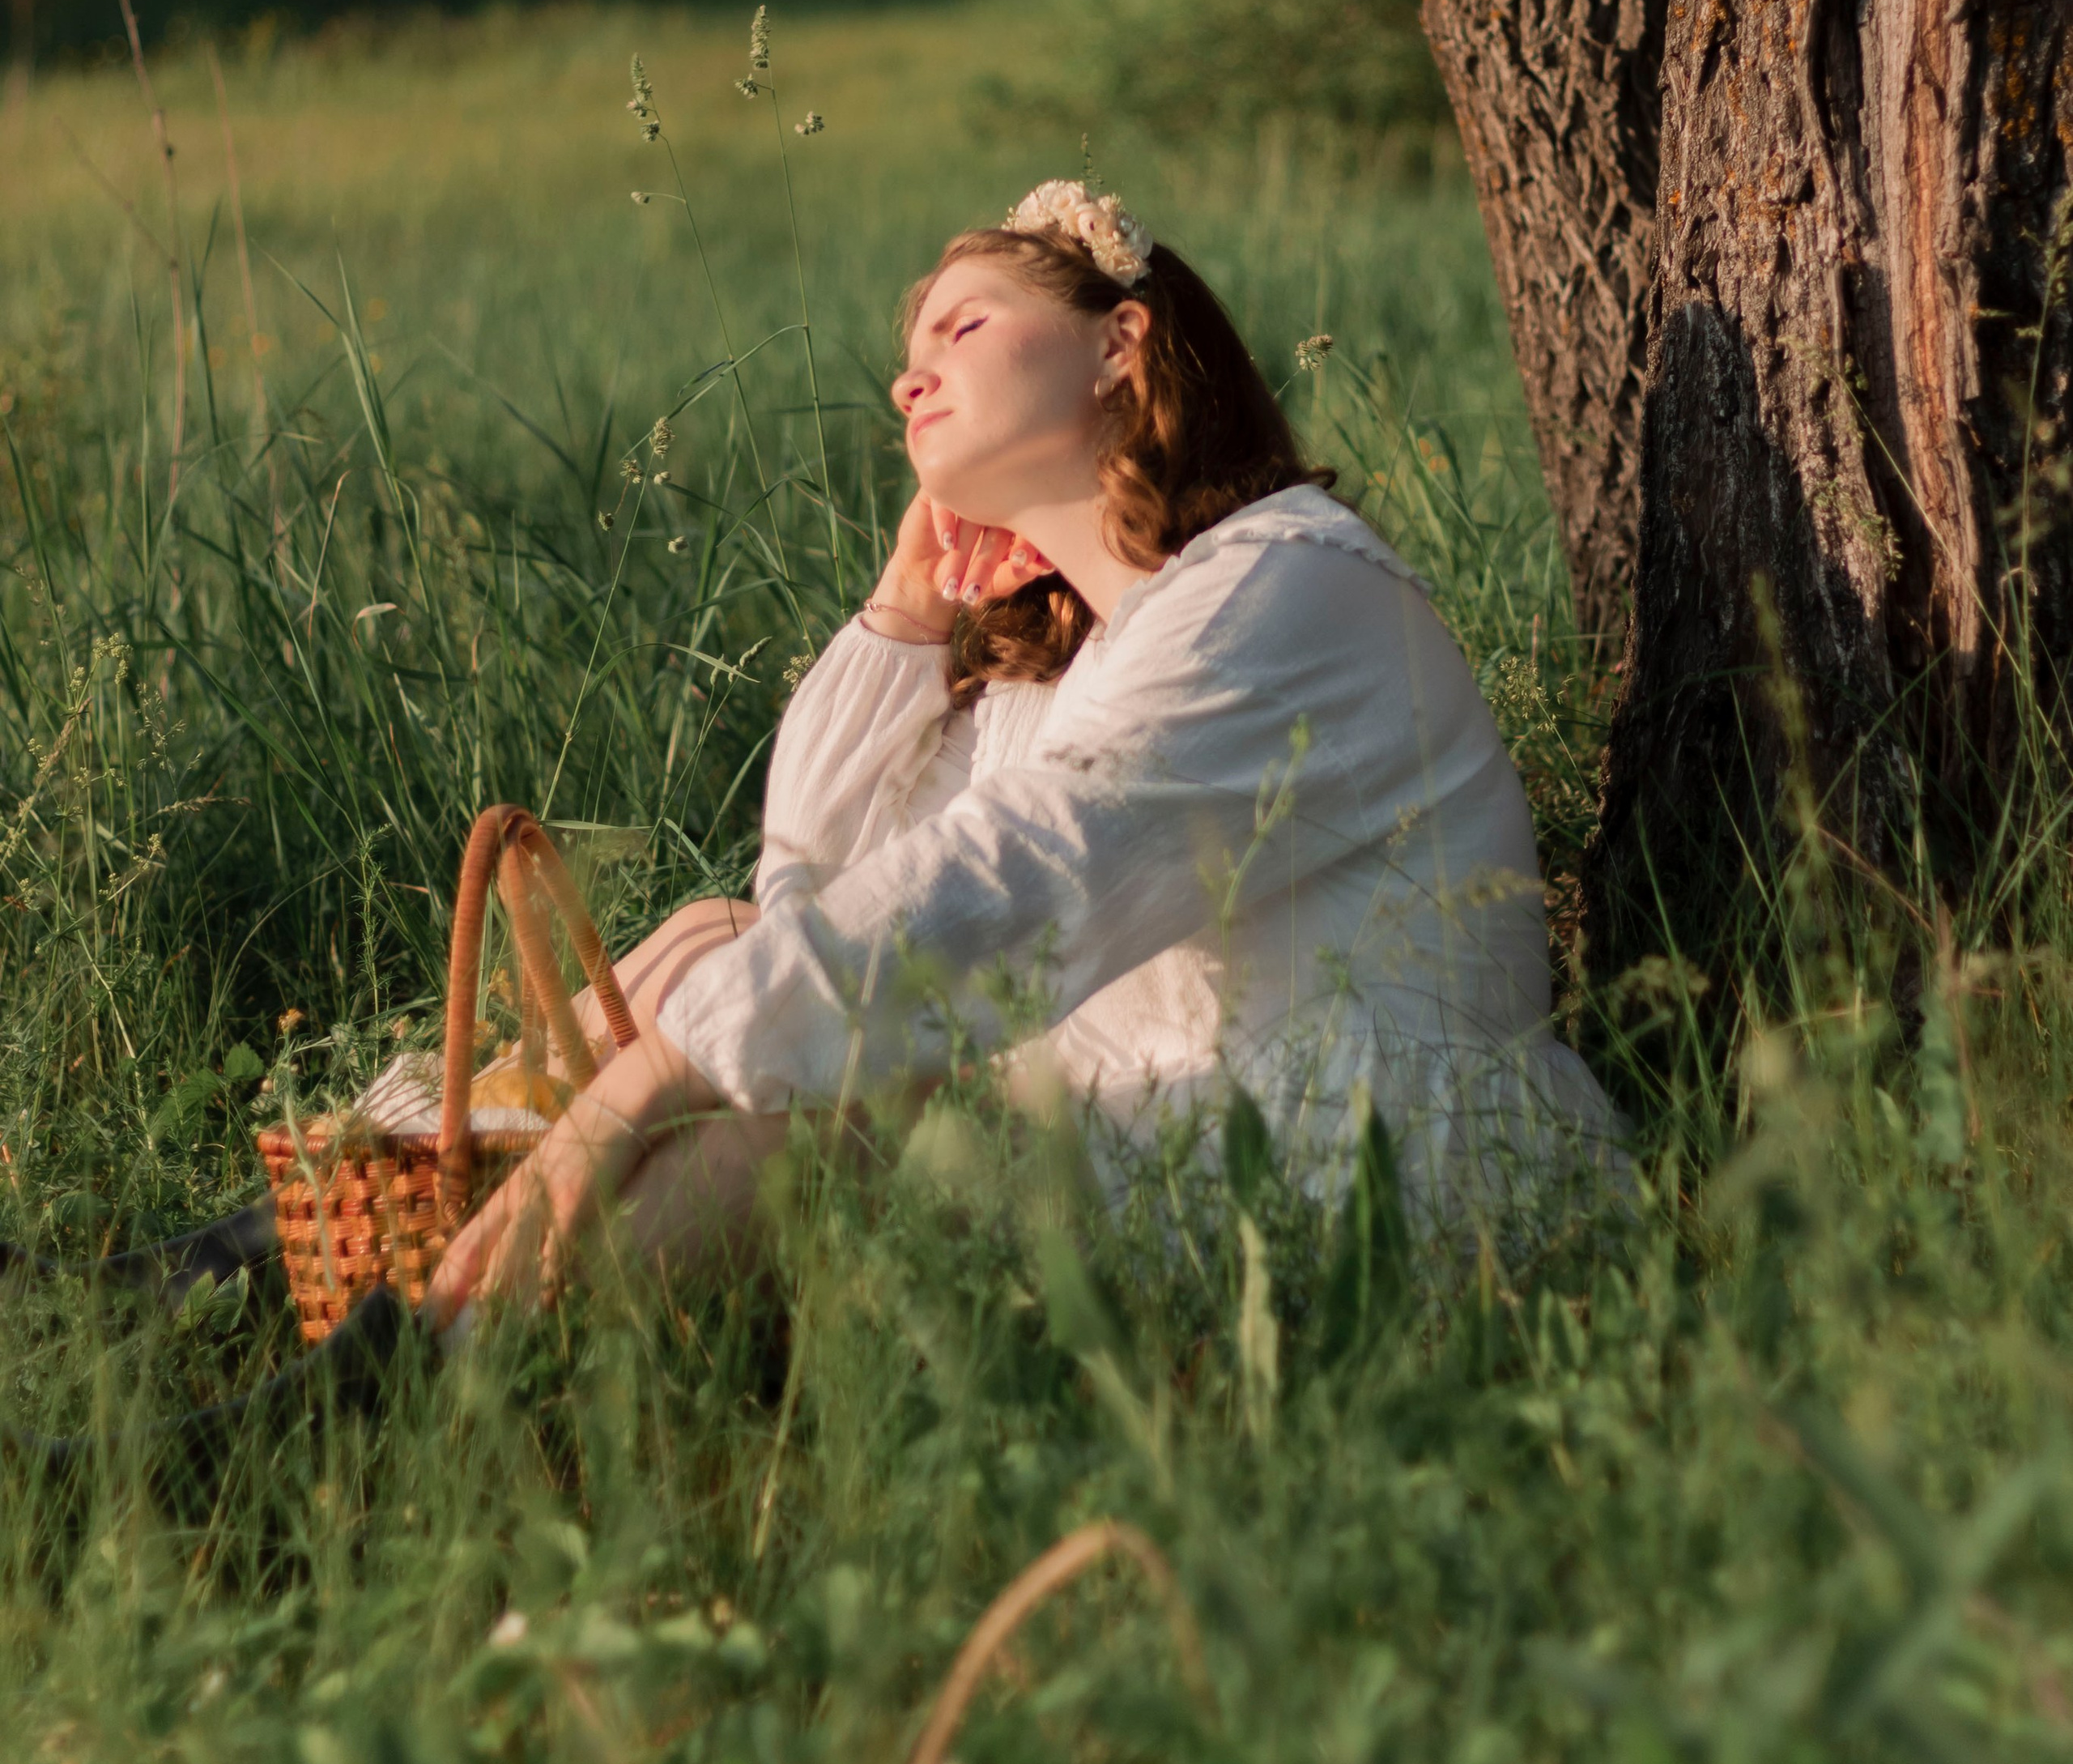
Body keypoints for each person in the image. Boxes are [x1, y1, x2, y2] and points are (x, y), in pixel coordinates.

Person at [426, 181, 1620, 1325]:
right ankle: (385, 1210)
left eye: (964, 324)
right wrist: (906, 607)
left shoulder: (1282, 586)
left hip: (1348, 1159)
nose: (909, 376)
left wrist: (649, 1084)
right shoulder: (1079, 671)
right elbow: (812, 894)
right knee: (719, 943)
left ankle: (458, 1362)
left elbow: (1022, 865)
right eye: (912, 349)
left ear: (1118, 344)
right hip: (1159, 1128)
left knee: (826, 1083)